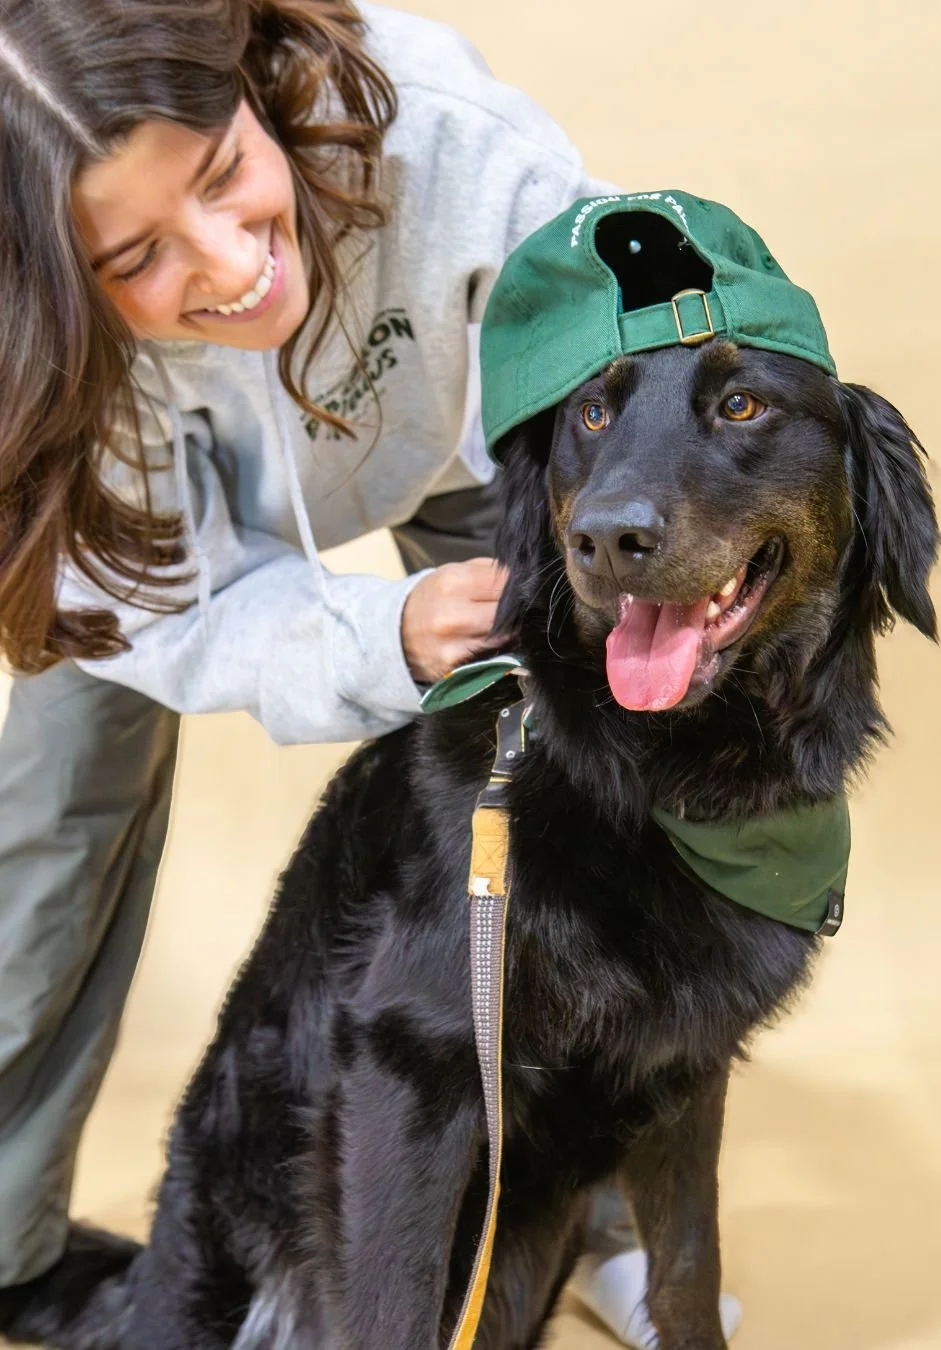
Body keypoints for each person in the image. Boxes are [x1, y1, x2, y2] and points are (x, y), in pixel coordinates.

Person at [0, 2, 741, 1343]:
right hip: (153, 531)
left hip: (470, 452)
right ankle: (0, 1238)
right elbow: (165, 612)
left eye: (224, 175)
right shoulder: (39, 351)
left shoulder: (458, 147)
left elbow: (627, 375)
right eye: (139, 254)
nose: (231, 263)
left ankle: (596, 1209)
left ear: (251, 87)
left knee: (600, 780)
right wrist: (370, 637)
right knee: (47, 822)